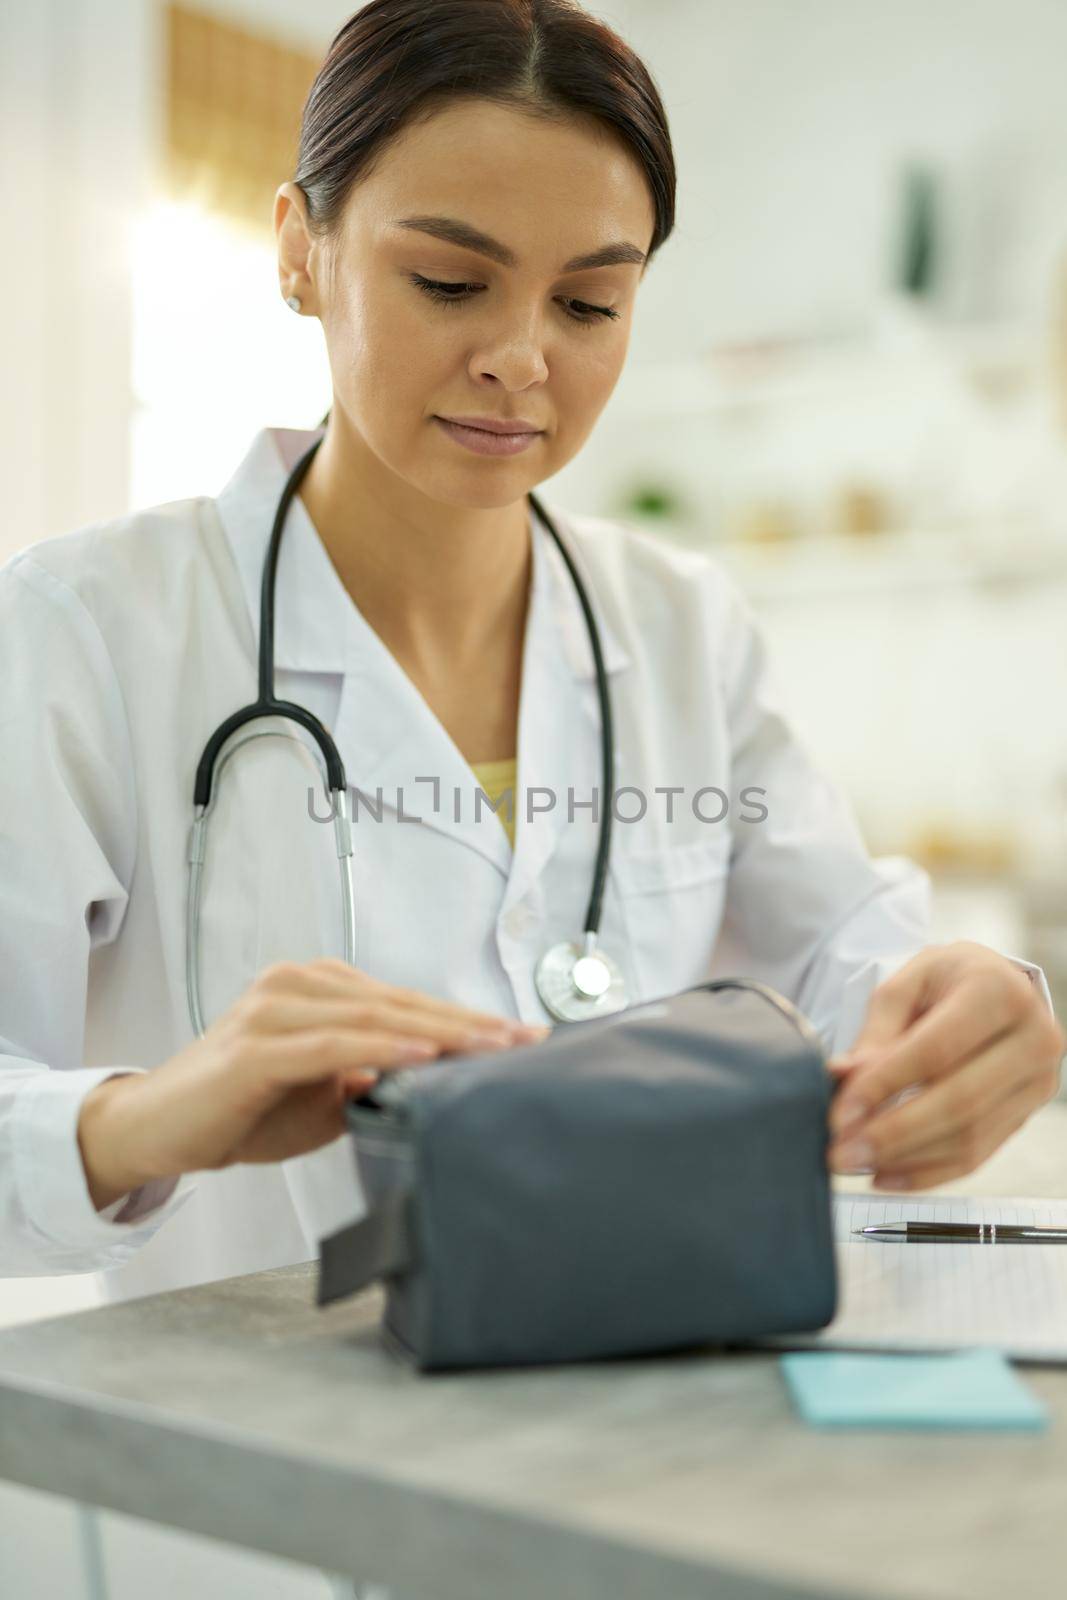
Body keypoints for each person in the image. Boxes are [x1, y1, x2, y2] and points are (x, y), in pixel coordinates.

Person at [1, 0, 1062, 1305]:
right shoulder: (87, 632)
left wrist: (955, 994)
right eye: (449, 282)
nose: (520, 359)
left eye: (589, 302)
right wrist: (147, 1115)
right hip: (248, 1464)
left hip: (630, 1403)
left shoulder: (682, 627)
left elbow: (839, 947)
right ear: (299, 250)